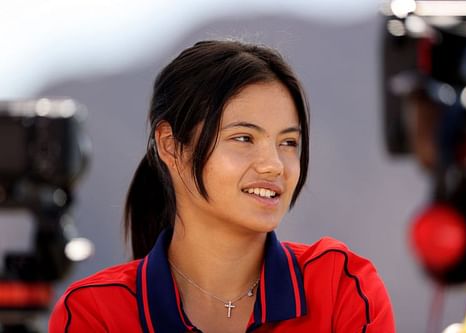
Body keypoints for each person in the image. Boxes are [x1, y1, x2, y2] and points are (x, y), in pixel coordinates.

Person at [49, 39, 396, 333]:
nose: (274, 164)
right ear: (170, 145)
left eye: (288, 143)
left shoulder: (340, 286)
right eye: (244, 138)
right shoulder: (95, 312)